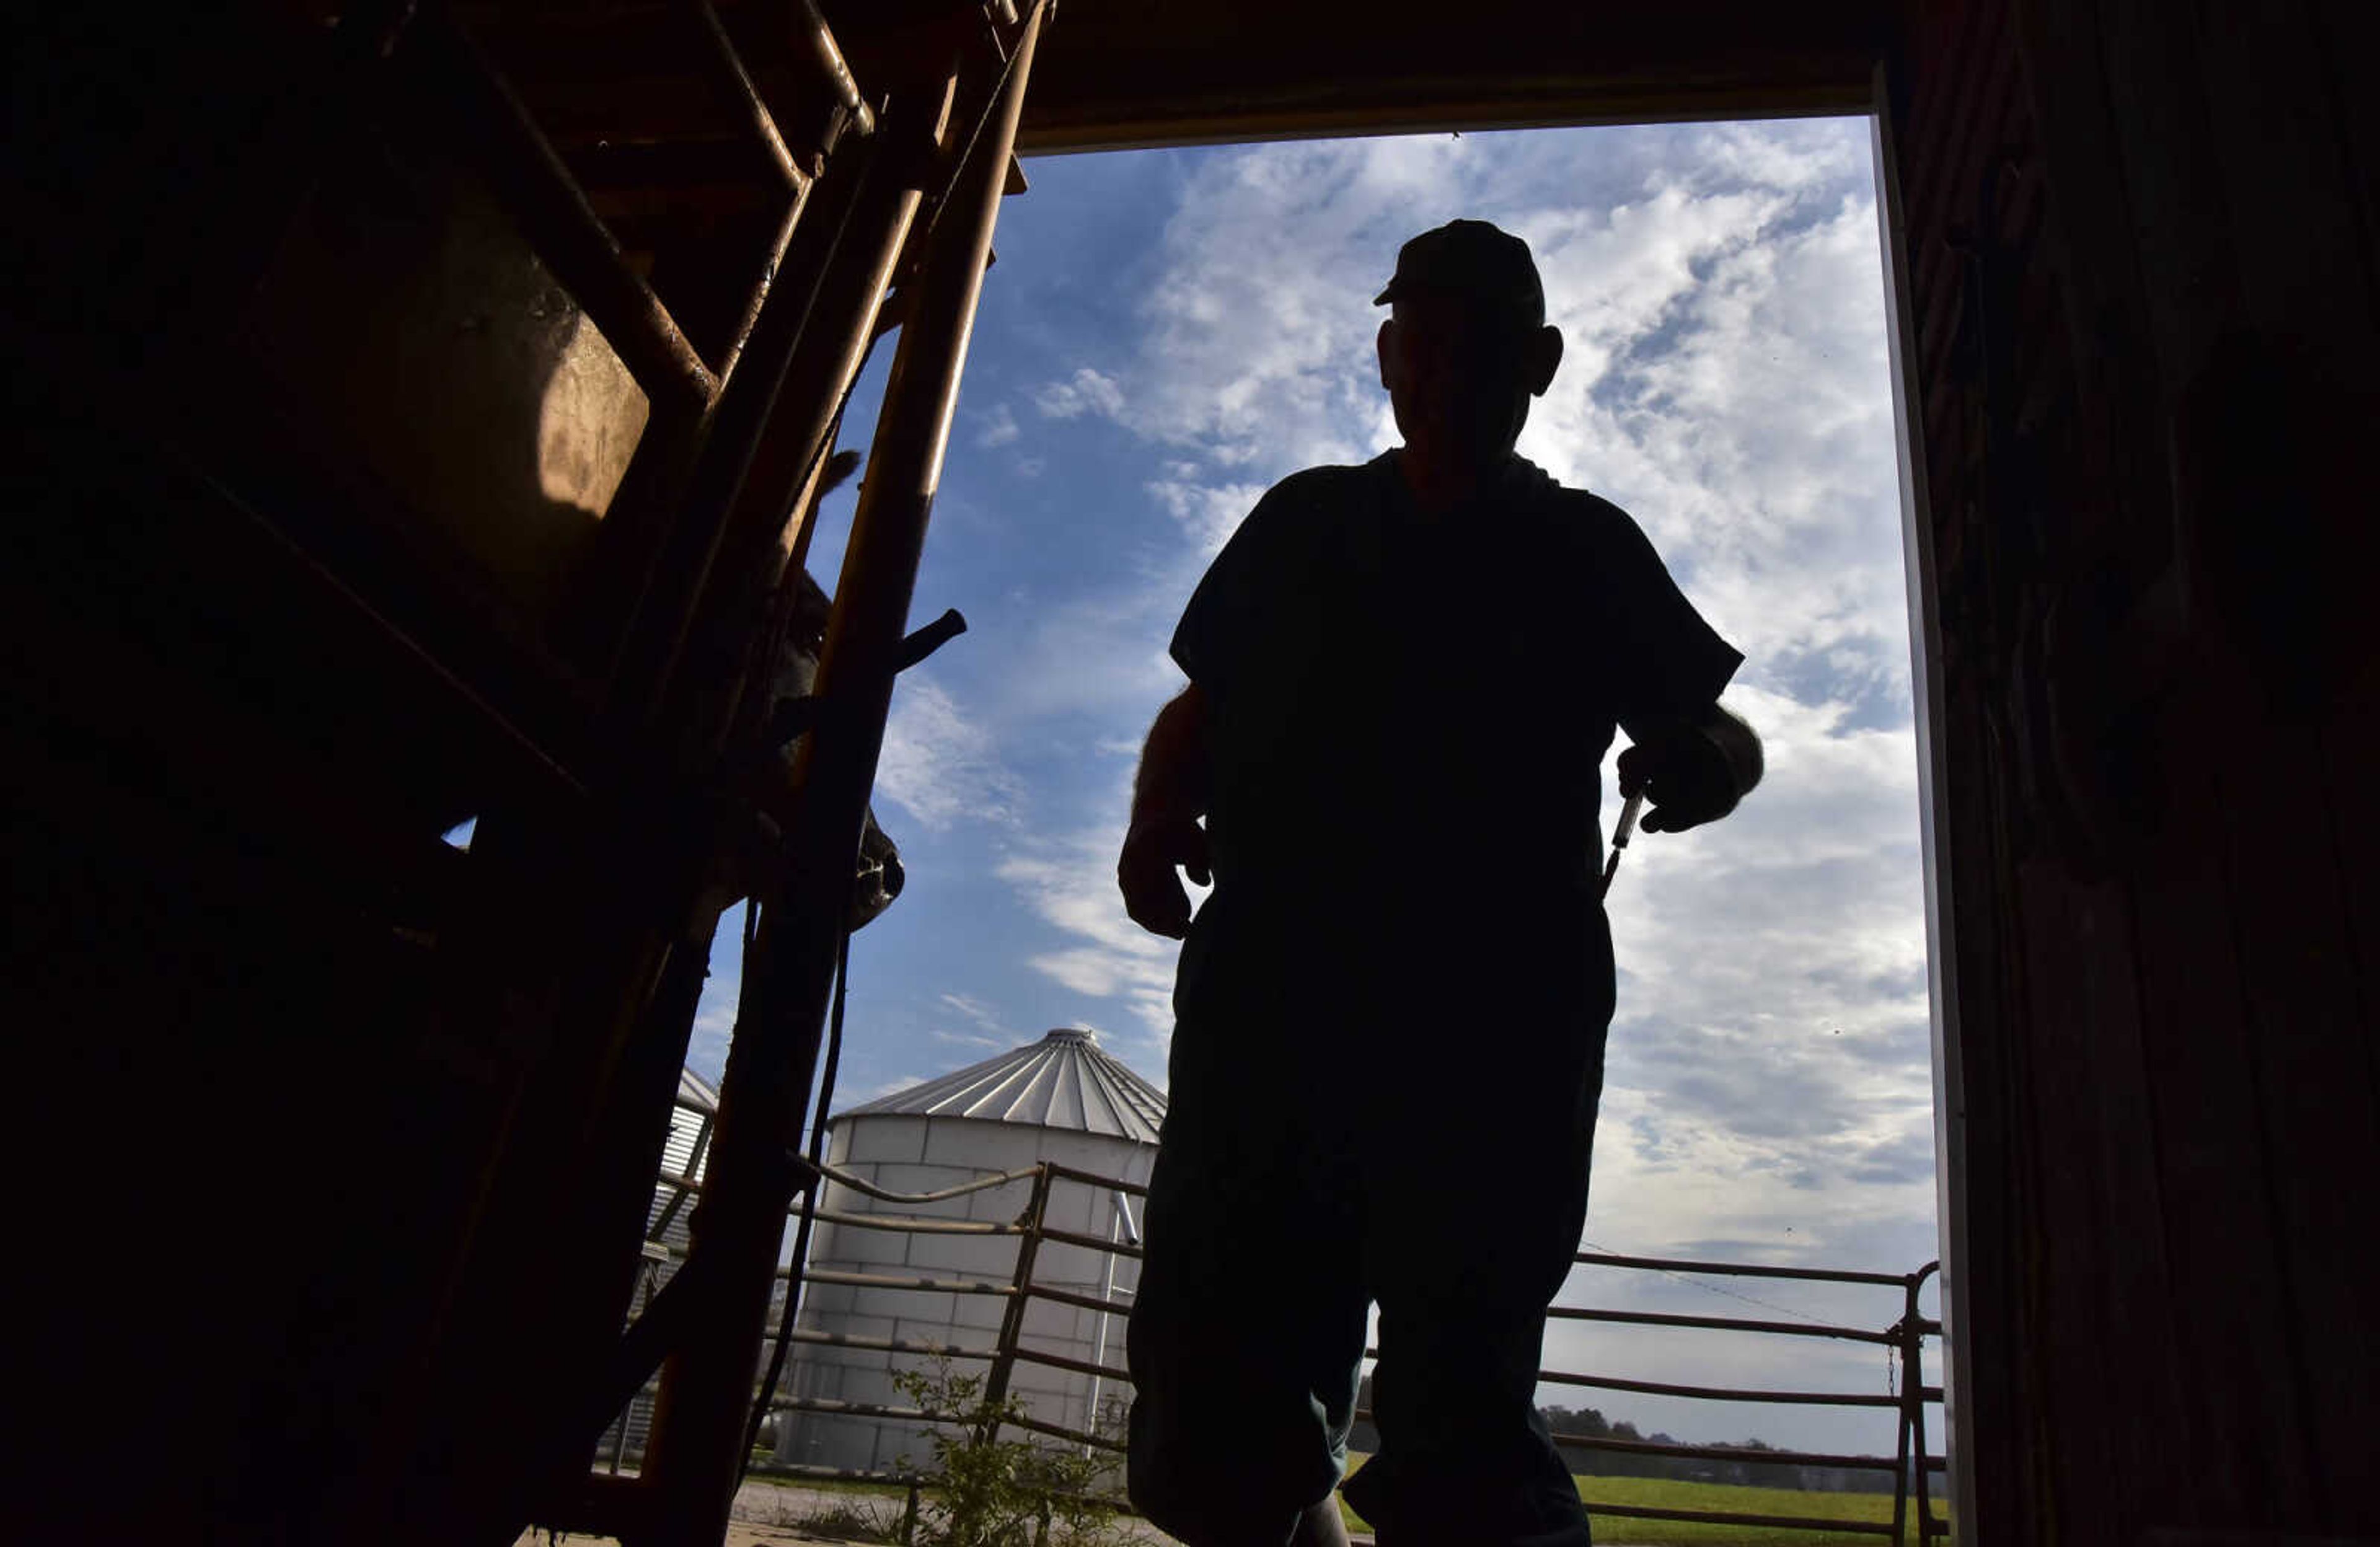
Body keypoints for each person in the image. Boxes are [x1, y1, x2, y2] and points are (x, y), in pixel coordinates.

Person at [1114, 219, 1763, 1547]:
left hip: (1496, 1031)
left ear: (1541, 364)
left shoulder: (1584, 547)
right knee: (1220, 1387)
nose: (1446, 368)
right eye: (1425, 338)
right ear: (1386, 354)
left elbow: (1724, 727)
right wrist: (1148, 822)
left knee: (1461, 1408)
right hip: (1273, 1017)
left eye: (1480, 346)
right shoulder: (1304, 521)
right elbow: (1200, 706)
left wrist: (1702, 757)